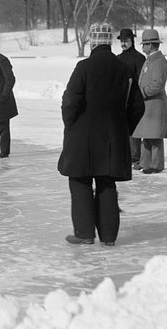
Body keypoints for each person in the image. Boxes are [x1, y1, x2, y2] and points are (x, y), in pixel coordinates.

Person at [58, 23, 144, 246]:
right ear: (109, 42)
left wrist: (71, 125)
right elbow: (137, 106)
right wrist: (125, 128)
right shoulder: (123, 68)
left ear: (93, 42)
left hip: (82, 138)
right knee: (107, 184)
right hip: (112, 138)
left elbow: (69, 102)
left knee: (80, 182)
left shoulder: (84, 67)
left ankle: (85, 234)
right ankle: (108, 237)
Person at [131, 29, 167, 174]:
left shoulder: (159, 61)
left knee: (155, 136)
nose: (142, 47)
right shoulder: (151, 59)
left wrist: (143, 92)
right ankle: (145, 163)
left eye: (144, 44)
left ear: (151, 45)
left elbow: (158, 84)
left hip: (155, 105)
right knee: (146, 134)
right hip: (148, 105)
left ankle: (156, 164)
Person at [116, 28, 145, 169]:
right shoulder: (117, 58)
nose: (123, 43)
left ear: (132, 41)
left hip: (136, 99)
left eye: (126, 41)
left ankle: (135, 157)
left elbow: (142, 79)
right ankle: (126, 155)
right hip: (121, 99)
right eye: (121, 41)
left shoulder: (139, 58)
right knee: (123, 128)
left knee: (135, 129)